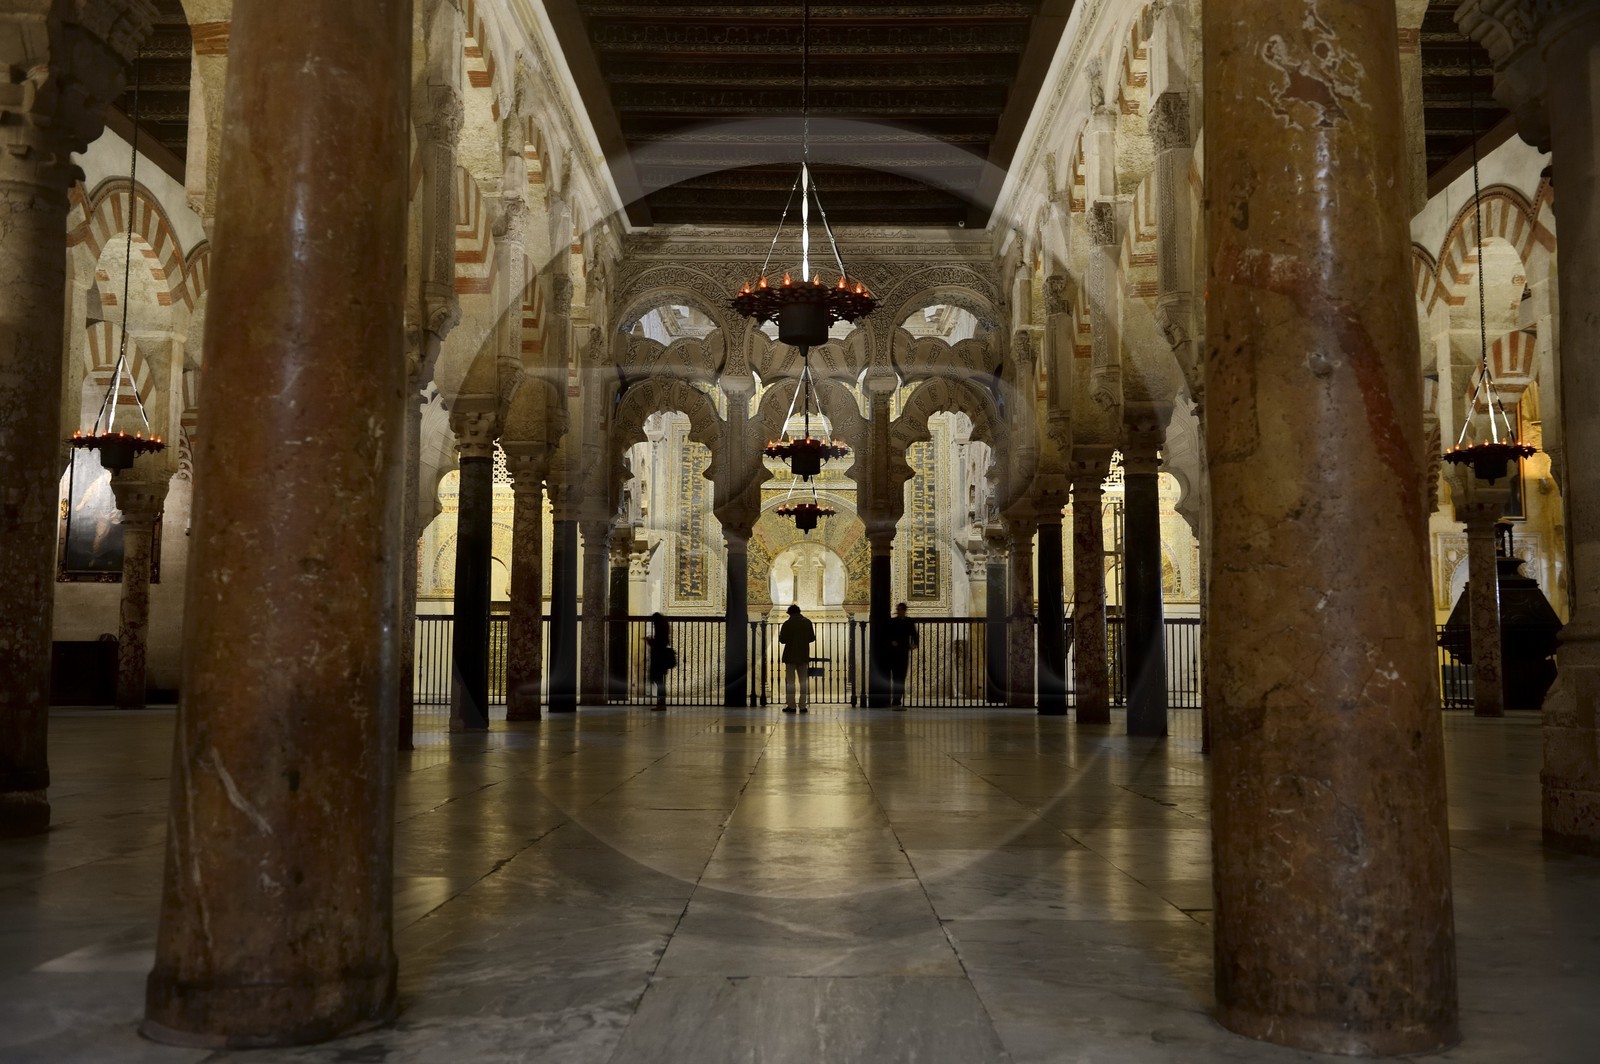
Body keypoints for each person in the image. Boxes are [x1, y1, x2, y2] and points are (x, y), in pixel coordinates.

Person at [778, 603, 815, 713]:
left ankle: (791, 705)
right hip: (803, 655)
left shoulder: (787, 623)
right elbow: (811, 638)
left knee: (790, 682)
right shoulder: (807, 622)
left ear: (790, 613)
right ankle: (803, 706)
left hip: (790, 656)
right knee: (803, 681)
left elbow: (782, 640)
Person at [885, 602, 919, 709]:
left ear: (904, 610)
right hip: (894, 653)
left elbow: (914, 634)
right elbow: (887, 635)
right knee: (896, 677)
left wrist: (915, 644)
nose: (899, 612)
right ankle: (895, 700)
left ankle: (897, 700)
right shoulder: (893, 621)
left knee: (901, 677)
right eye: (898, 610)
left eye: (900, 610)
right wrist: (891, 642)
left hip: (903, 652)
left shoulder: (908, 622)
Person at [645, 612, 672, 710]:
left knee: (659, 681)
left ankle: (661, 703)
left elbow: (659, 643)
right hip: (660, 658)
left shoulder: (660, 630)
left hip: (659, 658)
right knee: (660, 681)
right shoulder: (663, 627)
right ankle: (661, 703)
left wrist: (650, 641)